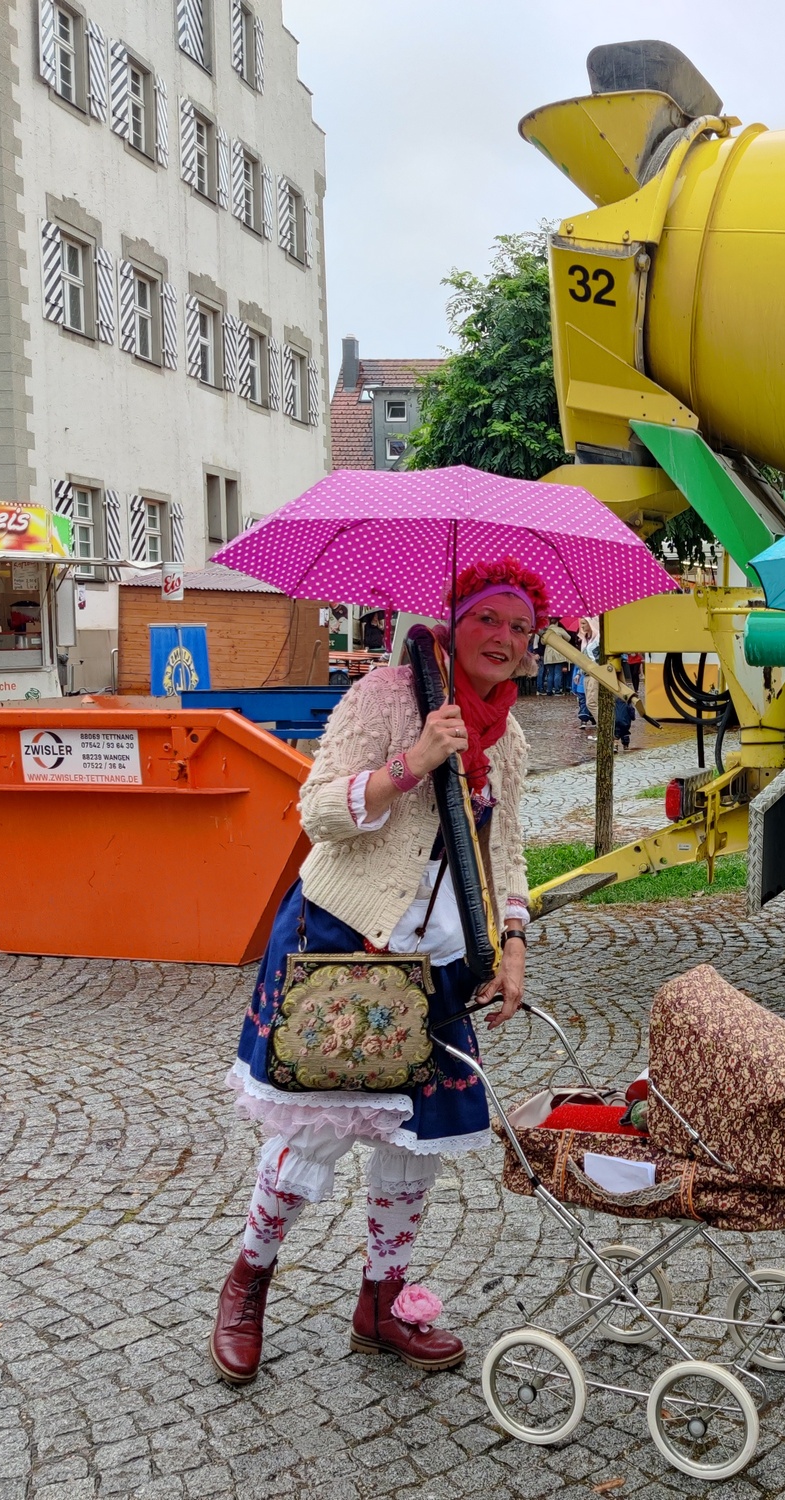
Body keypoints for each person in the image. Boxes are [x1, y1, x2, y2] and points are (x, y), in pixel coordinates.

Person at [212, 558, 545, 1387]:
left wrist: (513, 943)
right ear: (455, 619)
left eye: (520, 627)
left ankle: (380, 1302)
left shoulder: (511, 736)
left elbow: (505, 850)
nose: (503, 640)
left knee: (413, 1148)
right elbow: (318, 811)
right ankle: (248, 1281)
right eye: (489, 620)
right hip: (346, 942)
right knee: (310, 1137)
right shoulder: (387, 699)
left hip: (439, 967)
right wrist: (413, 761)